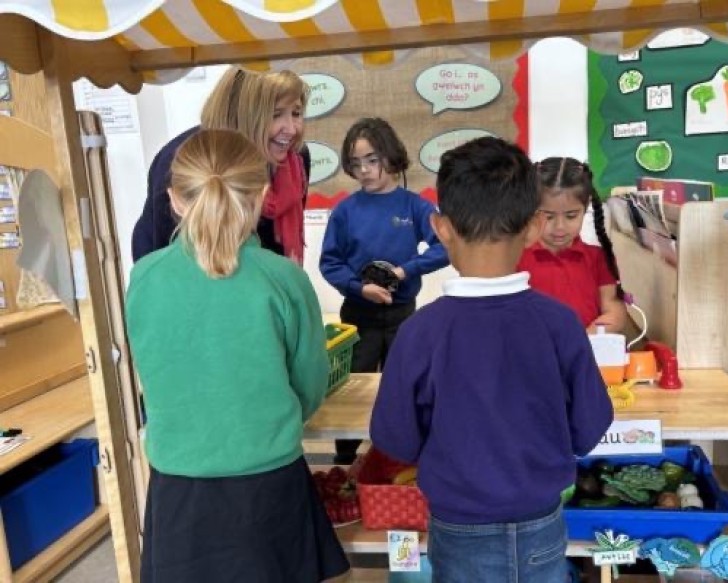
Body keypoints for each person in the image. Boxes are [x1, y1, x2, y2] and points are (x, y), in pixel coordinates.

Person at [369, 137, 614, 582]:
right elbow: (590, 427)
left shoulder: (419, 332)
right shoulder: (560, 324)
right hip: (541, 523)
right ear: (534, 227)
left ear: (441, 229)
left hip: (457, 528)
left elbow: (395, 438)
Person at [126, 129, 349, 583]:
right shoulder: (282, 278)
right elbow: (309, 385)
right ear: (262, 195)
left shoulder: (145, 276)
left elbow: (154, 369)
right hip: (269, 480)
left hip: (178, 486)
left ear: (174, 200)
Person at [319, 117, 449, 465]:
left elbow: (445, 247)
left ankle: (397, 456)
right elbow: (330, 262)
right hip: (358, 314)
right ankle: (345, 457)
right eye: (355, 162)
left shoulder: (415, 207)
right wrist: (359, 288)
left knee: (401, 385)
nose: (364, 170)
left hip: (402, 314)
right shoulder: (345, 211)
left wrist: (405, 271)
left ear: (390, 157)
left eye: (372, 160)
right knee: (350, 386)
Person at [132, 66, 311, 264]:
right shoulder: (182, 159)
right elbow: (162, 256)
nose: (292, 129)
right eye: (276, 115)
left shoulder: (297, 159)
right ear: (242, 114)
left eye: (296, 113)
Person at [517, 157, 628, 334]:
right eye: (548, 216)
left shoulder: (598, 258)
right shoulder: (515, 256)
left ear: (585, 208)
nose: (559, 227)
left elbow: (614, 310)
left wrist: (583, 339)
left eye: (571, 216)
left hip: (586, 346)